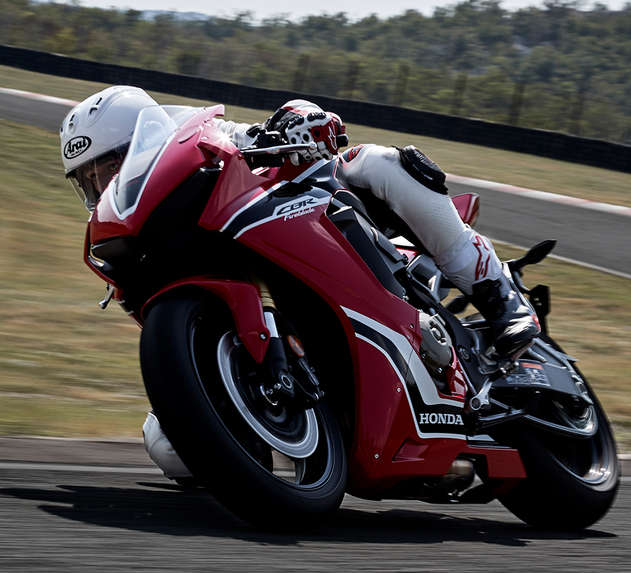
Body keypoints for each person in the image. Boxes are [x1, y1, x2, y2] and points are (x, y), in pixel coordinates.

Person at [61, 85, 540, 480]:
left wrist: (298, 121)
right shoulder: (137, 230)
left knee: (373, 163)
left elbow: (271, 129)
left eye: (111, 166)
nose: (104, 186)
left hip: (317, 215)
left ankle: (501, 298)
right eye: (89, 181)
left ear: (143, 140)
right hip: (277, 289)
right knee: (166, 444)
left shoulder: (200, 140)